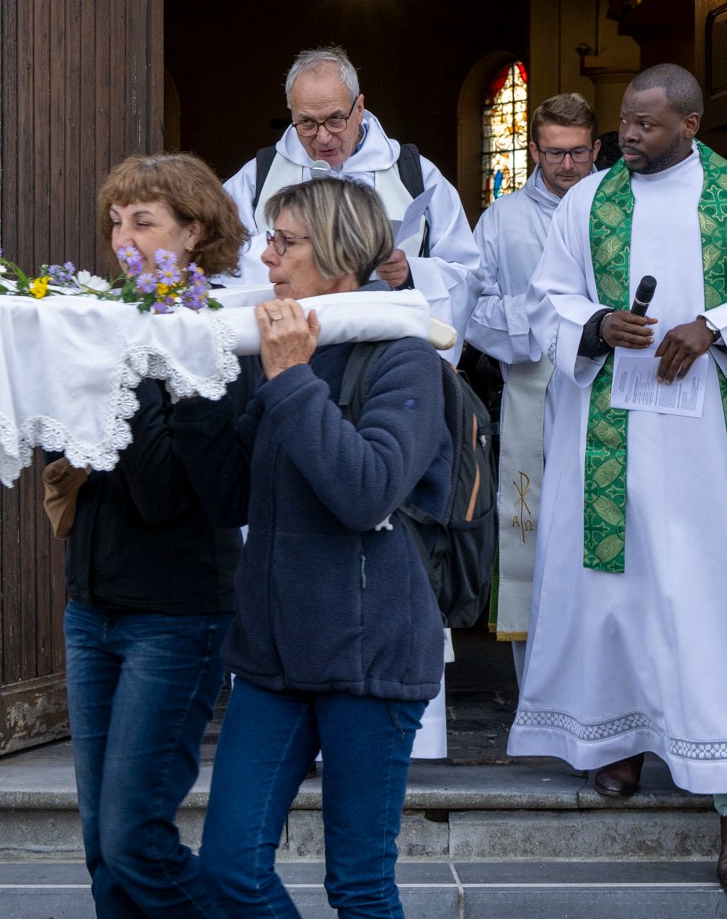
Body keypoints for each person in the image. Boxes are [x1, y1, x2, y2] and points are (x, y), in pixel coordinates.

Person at [506, 64, 727, 895]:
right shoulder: (588, 200)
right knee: (617, 594)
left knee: (706, 607)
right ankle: (620, 743)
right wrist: (596, 324)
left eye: (645, 125)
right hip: (610, 436)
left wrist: (713, 327)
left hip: (706, 452)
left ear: (689, 123)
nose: (628, 138)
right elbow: (547, 300)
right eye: (625, 123)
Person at [180, 177, 452, 919]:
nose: (266, 259)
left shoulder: (404, 356)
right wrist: (192, 388)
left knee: (359, 887)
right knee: (229, 871)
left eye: (285, 242)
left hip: (369, 657)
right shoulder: (273, 346)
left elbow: (367, 492)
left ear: (336, 252)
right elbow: (231, 495)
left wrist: (293, 378)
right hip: (274, 656)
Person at [50, 153, 251, 919]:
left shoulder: (213, 337)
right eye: (115, 223)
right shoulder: (113, 324)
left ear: (194, 231)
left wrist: (114, 375)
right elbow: (61, 445)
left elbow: (166, 493)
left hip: (176, 614)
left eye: (144, 222)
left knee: (137, 838)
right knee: (103, 848)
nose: (123, 239)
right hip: (91, 605)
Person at [221, 46, 480, 366]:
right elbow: (222, 264)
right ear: (291, 113)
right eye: (307, 123)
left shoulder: (414, 173)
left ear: (359, 108)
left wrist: (410, 273)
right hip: (289, 353)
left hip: (388, 359)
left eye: (335, 120)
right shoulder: (256, 178)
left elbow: (466, 273)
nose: (323, 138)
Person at [464, 92, 600, 680]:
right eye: (553, 154)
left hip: (610, 385)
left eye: (577, 154)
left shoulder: (622, 211)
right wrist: (546, 317)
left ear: (597, 148)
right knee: (533, 525)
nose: (566, 167)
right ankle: (536, 685)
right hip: (534, 383)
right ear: (534, 150)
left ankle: (601, 677)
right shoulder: (503, 220)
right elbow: (472, 306)